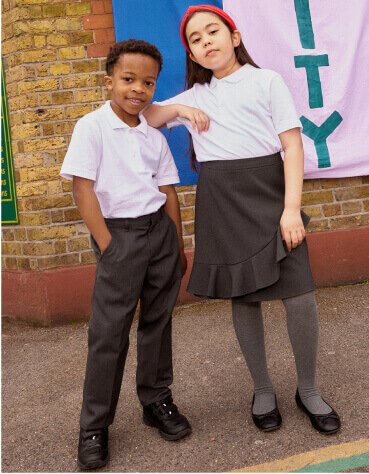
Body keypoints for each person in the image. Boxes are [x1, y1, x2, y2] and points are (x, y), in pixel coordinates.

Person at [144, 5, 341, 435]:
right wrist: (179, 112)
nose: (205, 41)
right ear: (192, 56)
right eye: (195, 40)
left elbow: (292, 147)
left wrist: (291, 209)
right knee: (244, 297)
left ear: (234, 36)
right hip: (222, 200)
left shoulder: (266, 81)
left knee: (300, 296)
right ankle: (263, 389)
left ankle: (307, 389)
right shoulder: (195, 96)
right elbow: (147, 115)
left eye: (212, 31)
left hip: (271, 196)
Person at [60, 39, 195, 470]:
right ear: (110, 81)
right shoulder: (92, 127)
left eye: (148, 82)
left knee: (157, 323)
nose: (138, 89)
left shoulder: (152, 134)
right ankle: (94, 426)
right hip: (118, 237)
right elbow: (82, 187)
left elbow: (167, 189)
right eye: (128, 79)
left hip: (158, 234)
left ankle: (156, 401)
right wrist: (107, 245)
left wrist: (177, 241)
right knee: (108, 334)